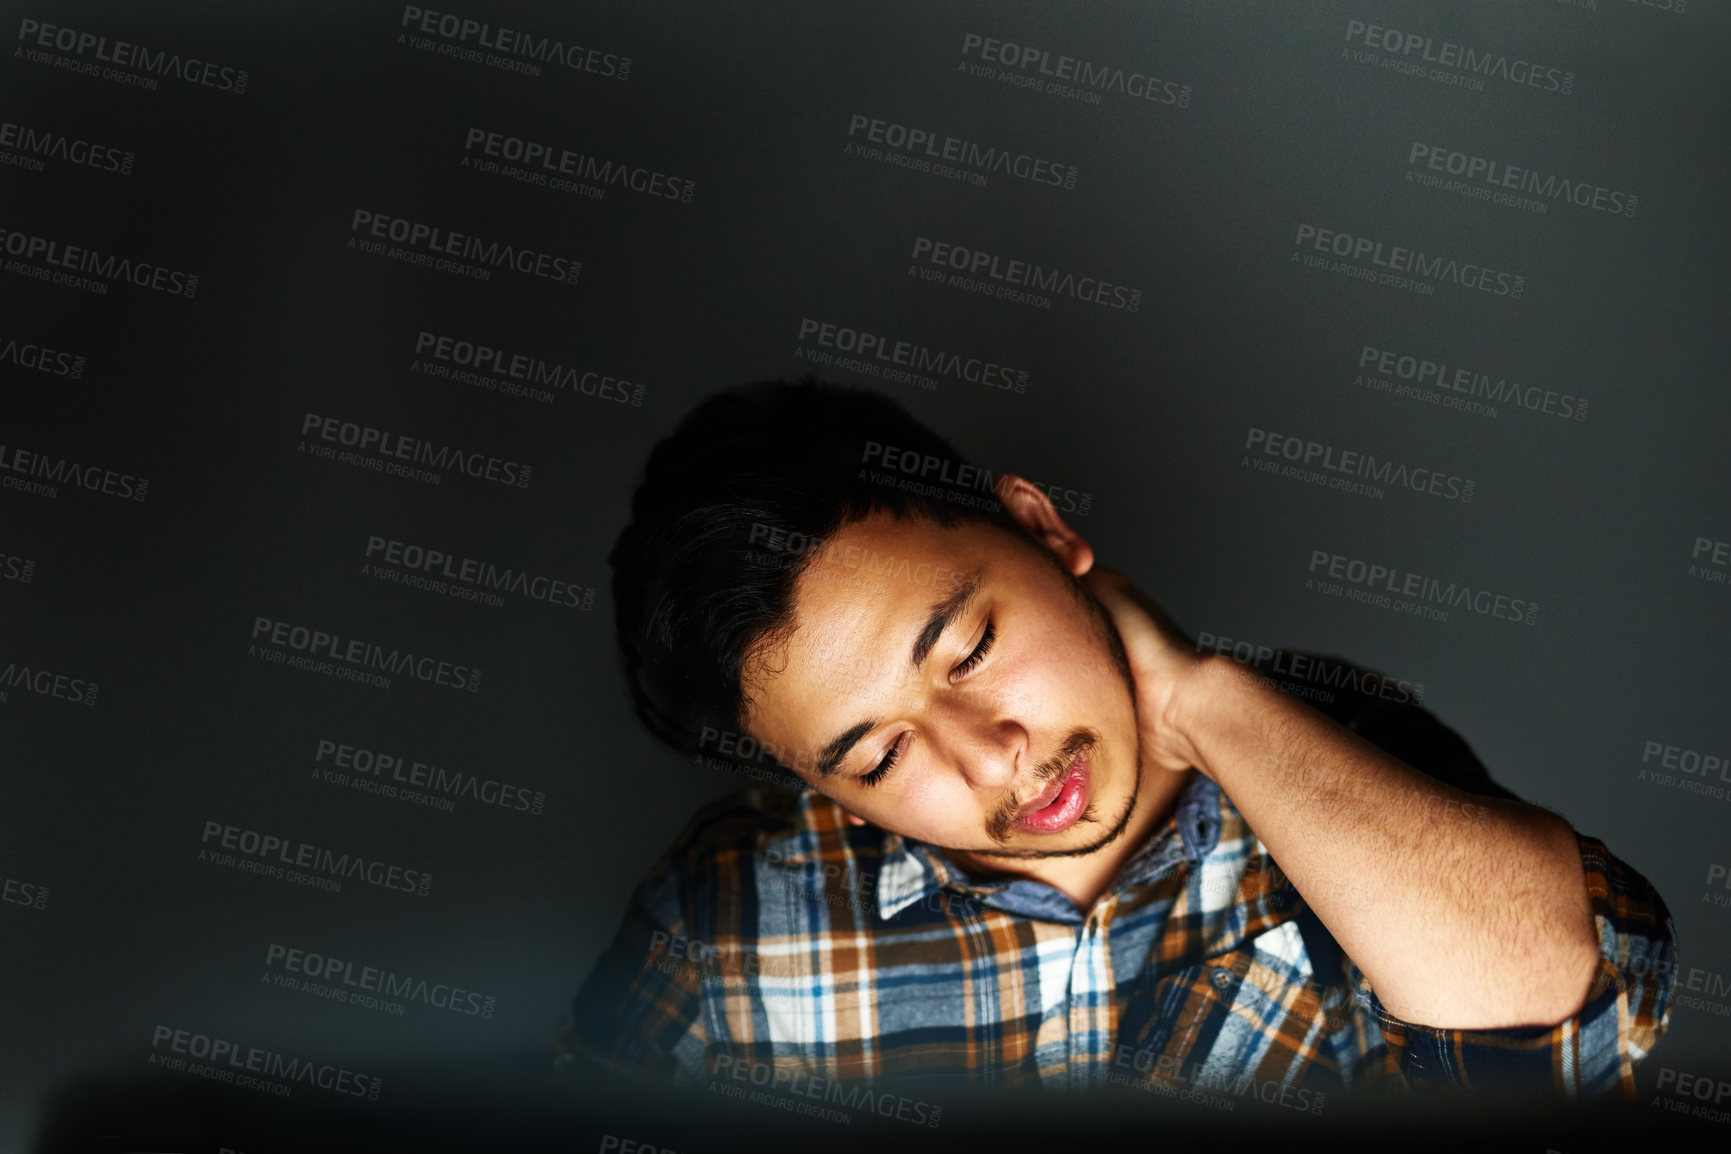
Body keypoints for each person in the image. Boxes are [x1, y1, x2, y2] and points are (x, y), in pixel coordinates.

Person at [554, 376, 1675, 1100]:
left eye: (972, 646)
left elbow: (1562, 1043)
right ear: (823, 792)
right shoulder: (727, 918)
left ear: (1042, 526)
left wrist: (1198, 699)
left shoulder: (1332, 742)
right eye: (880, 756)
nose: (988, 752)